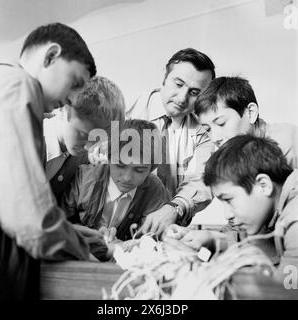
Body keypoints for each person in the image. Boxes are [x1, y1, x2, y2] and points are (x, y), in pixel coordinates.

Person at [0, 23, 109, 300]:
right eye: (75, 83)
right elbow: (30, 220)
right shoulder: (19, 85)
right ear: (50, 56)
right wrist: (82, 251)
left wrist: (68, 232)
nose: (73, 100)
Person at [166, 135, 298, 272]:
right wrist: (212, 240)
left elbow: (287, 288)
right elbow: (258, 242)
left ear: (263, 185)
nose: (227, 214)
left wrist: (199, 269)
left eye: (229, 200)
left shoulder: (294, 218)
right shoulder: (274, 207)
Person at [126, 48, 215, 236]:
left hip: (164, 231)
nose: (182, 98)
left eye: (194, 92)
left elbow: (202, 180)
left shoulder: (203, 131)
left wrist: (174, 208)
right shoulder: (127, 108)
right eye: (178, 84)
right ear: (165, 78)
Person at [61, 119, 170, 241]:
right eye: (120, 165)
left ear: (151, 169)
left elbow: (152, 235)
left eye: (139, 170)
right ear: (108, 157)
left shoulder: (154, 189)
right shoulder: (83, 178)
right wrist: (91, 235)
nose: (127, 178)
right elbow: (61, 224)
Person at [44, 76, 125, 203]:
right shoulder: (25, 140)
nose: (89, 147)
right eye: (84, 135)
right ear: (63, 109)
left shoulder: (81, 153)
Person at [195, 76, 298, 166]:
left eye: (221, 123)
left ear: (251, 112)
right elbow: (195, 181)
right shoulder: (211, 149)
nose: (214, 138)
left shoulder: (289, 142)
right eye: (207, 129)